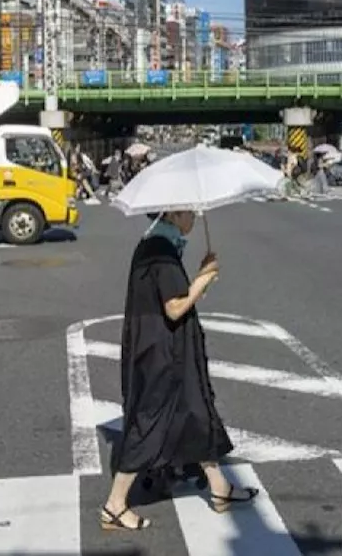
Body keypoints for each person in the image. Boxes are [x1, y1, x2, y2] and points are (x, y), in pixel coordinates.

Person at [99, 210, 259, 531]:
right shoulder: (161, 251)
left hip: (163, 350)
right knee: (150, 424)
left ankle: (219, 488)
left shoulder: (157, 245)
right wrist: (204, 276)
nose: (195, 218)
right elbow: (174, 307)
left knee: (195, 415)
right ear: (173, 212)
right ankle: (114, 505)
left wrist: (199, 278)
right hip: (163, 355)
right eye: (189, 212)